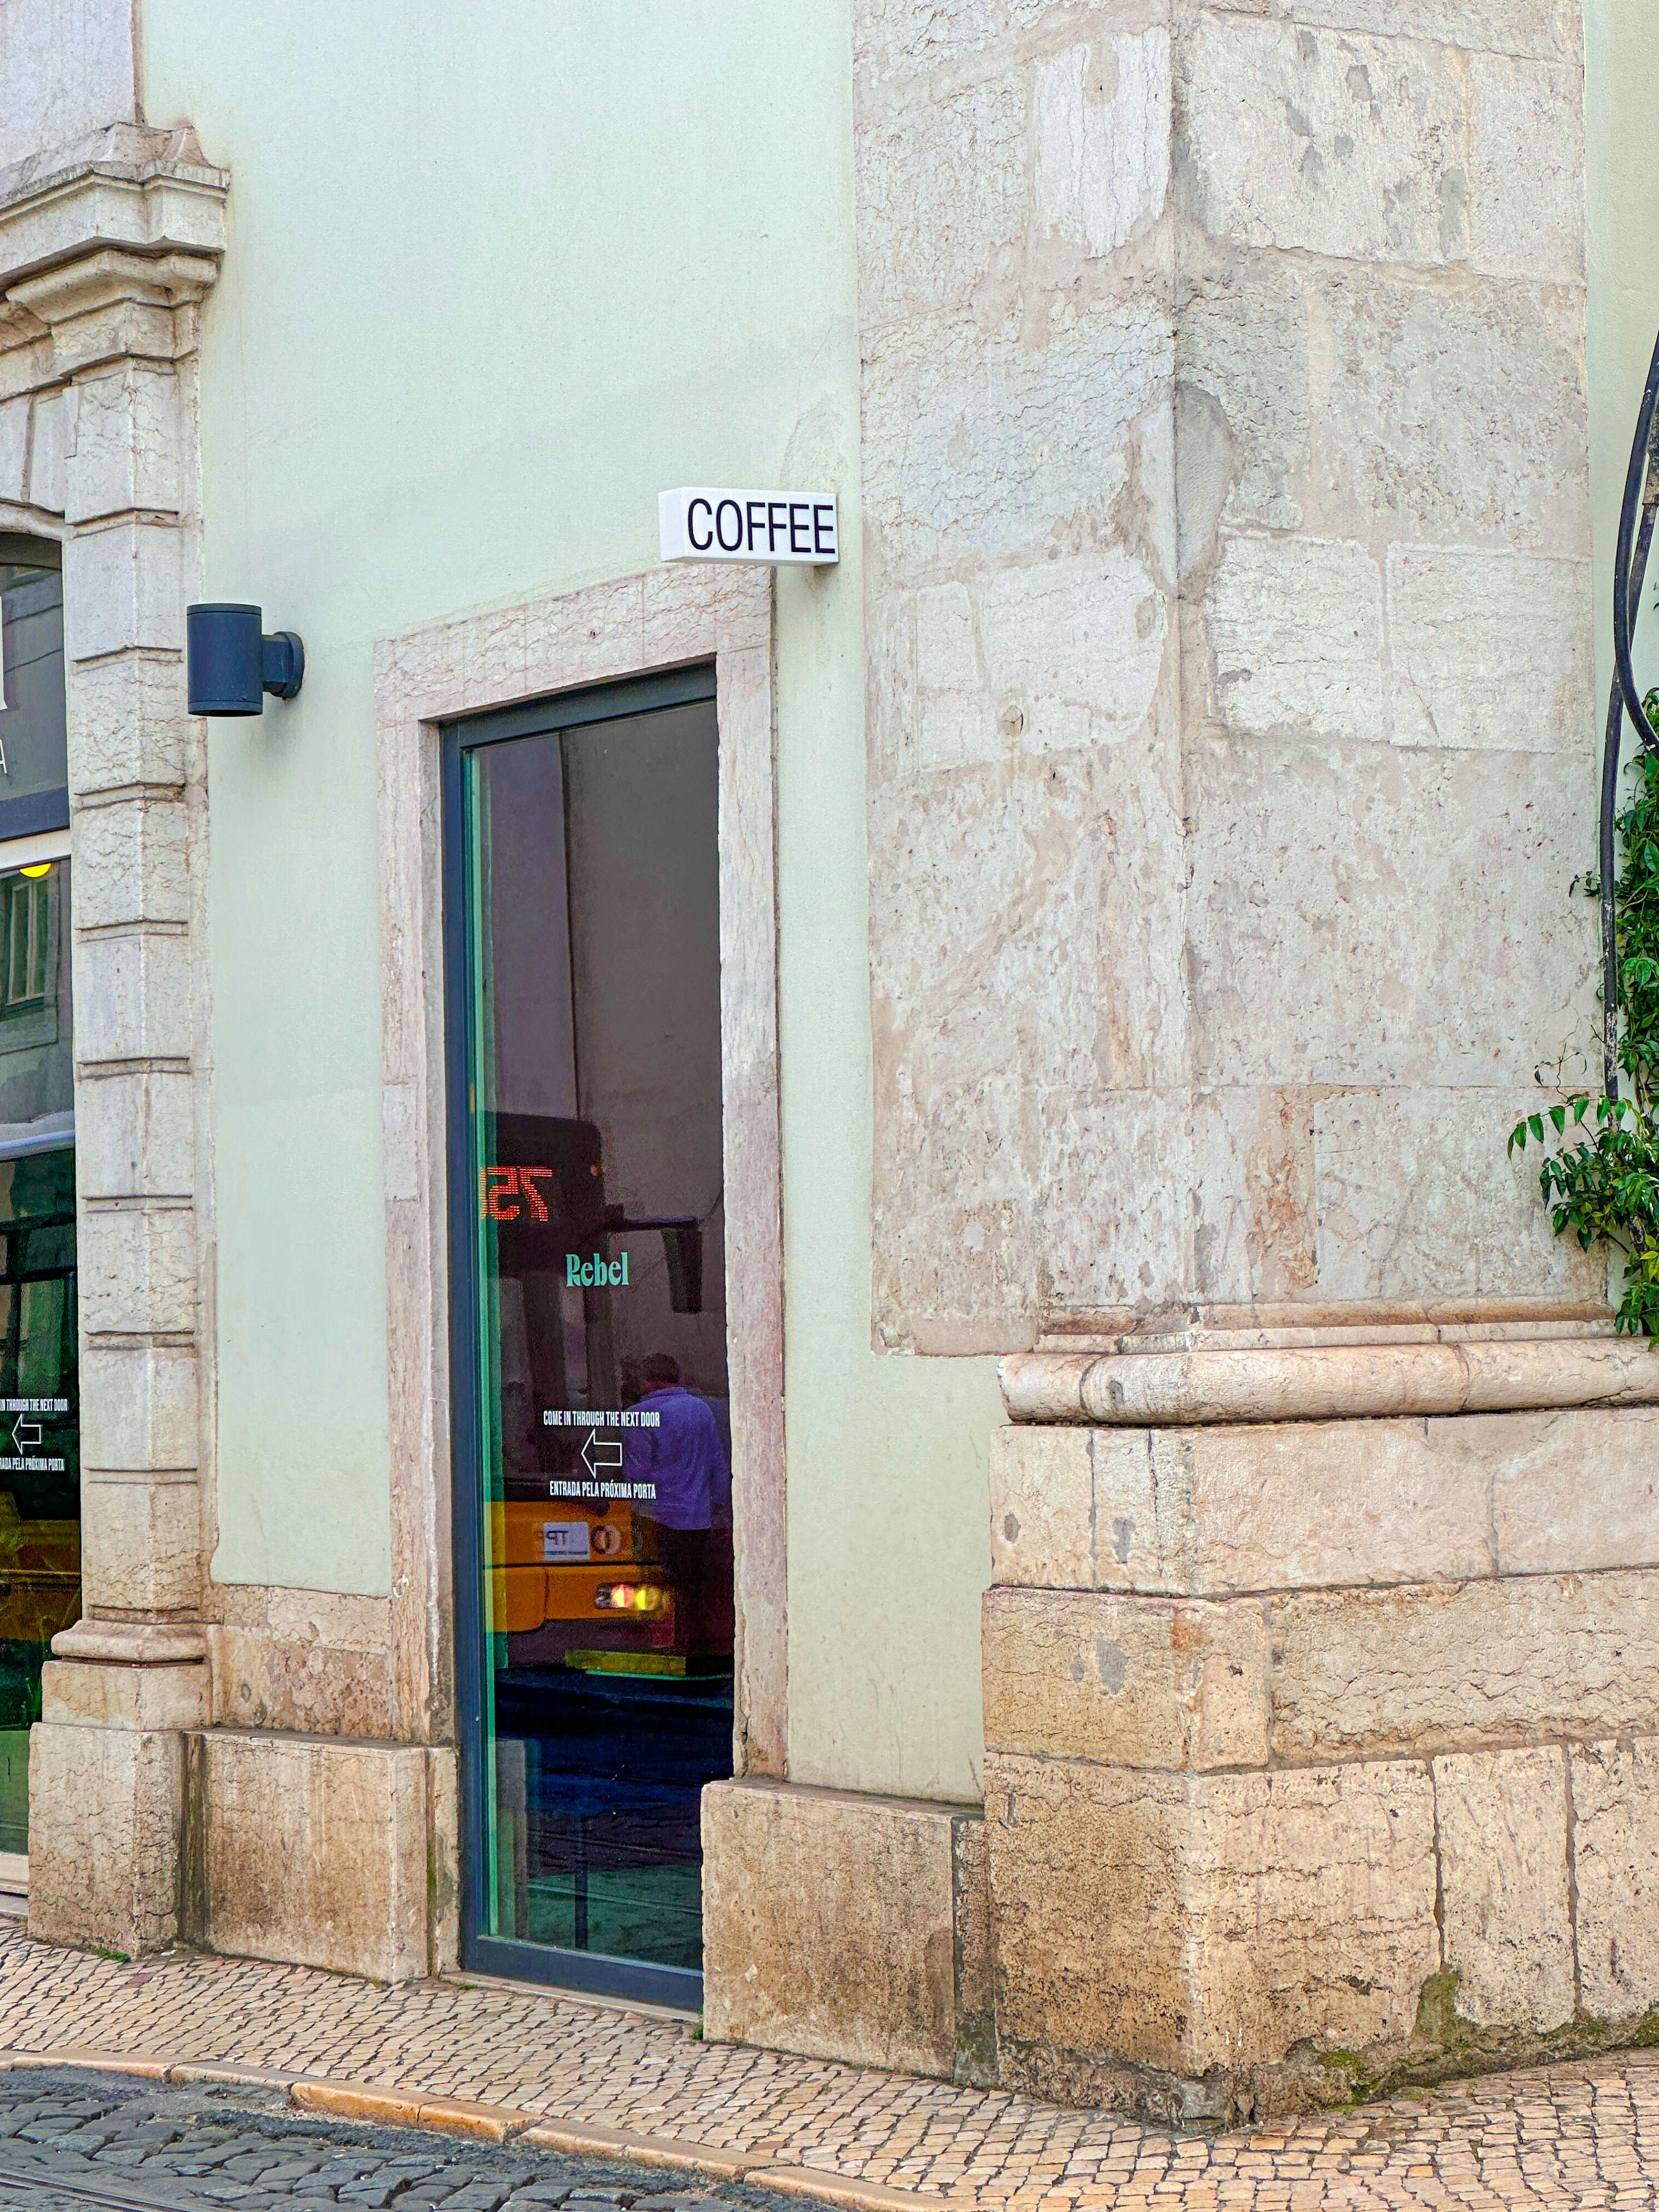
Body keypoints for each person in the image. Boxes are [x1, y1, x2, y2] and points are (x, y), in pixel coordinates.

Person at [623, 1354, 732, 1656]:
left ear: (647, 1382)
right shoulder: (701, 1410)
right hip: (699, 1521)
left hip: (658, 1521)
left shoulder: (638, 1416)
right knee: (694, 1592)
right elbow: (718, 1468)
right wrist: (720, 1511)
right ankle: (693, 1648)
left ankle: (669, 1648)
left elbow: (637, 1476)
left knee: (662, 1589)